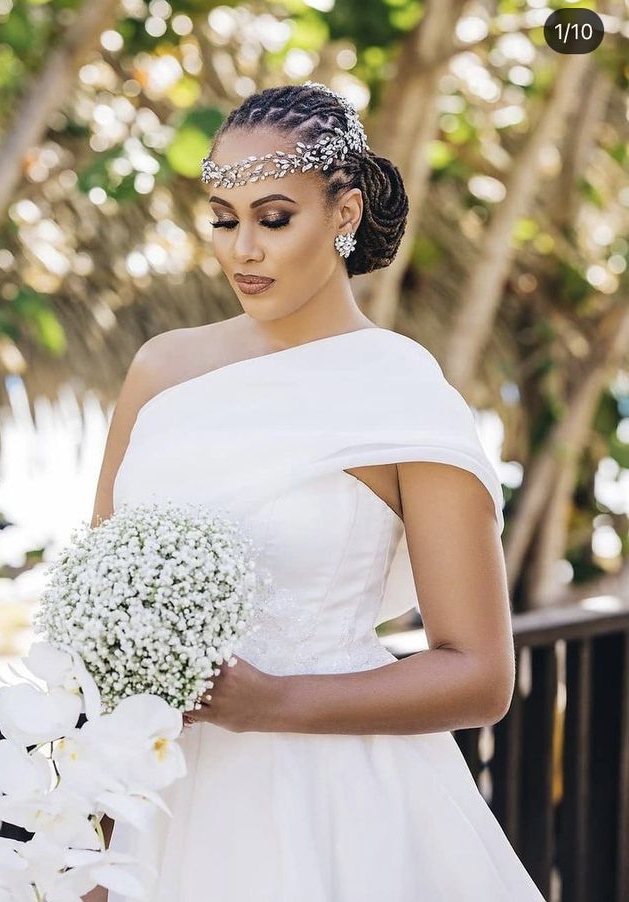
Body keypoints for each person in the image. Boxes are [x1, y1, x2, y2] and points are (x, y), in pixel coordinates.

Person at [85, 82, 547, 901]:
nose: (242, 252)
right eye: (224, 220)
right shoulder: (160, 370)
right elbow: (99, 621)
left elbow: (480, 674)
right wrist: (87, 837)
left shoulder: (405, 394)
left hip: (335, 802)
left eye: (273, 218)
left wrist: (268, 701)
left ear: (344, 213)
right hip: (157, 797)